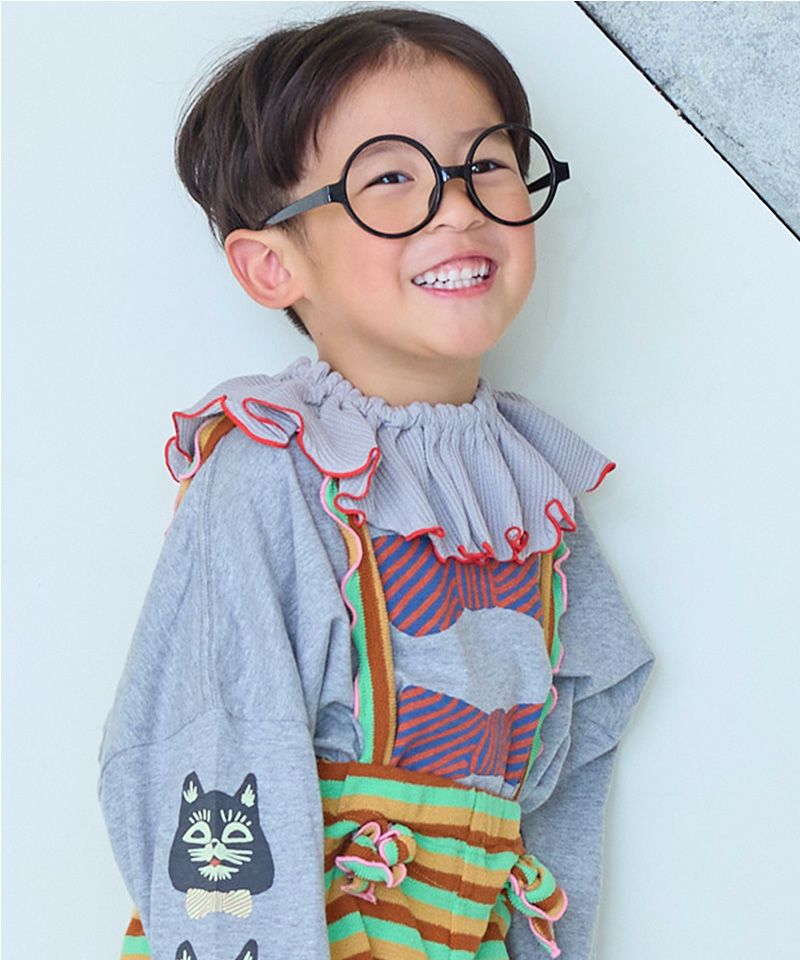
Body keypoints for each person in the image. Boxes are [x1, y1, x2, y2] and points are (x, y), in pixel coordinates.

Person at [98, 5, 655, 960]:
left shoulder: (532, 498)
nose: (459, 207)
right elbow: (205, 759)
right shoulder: (270, 475)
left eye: (487, 162)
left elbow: (568, 771)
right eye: (391, 177)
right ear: (271, 265)